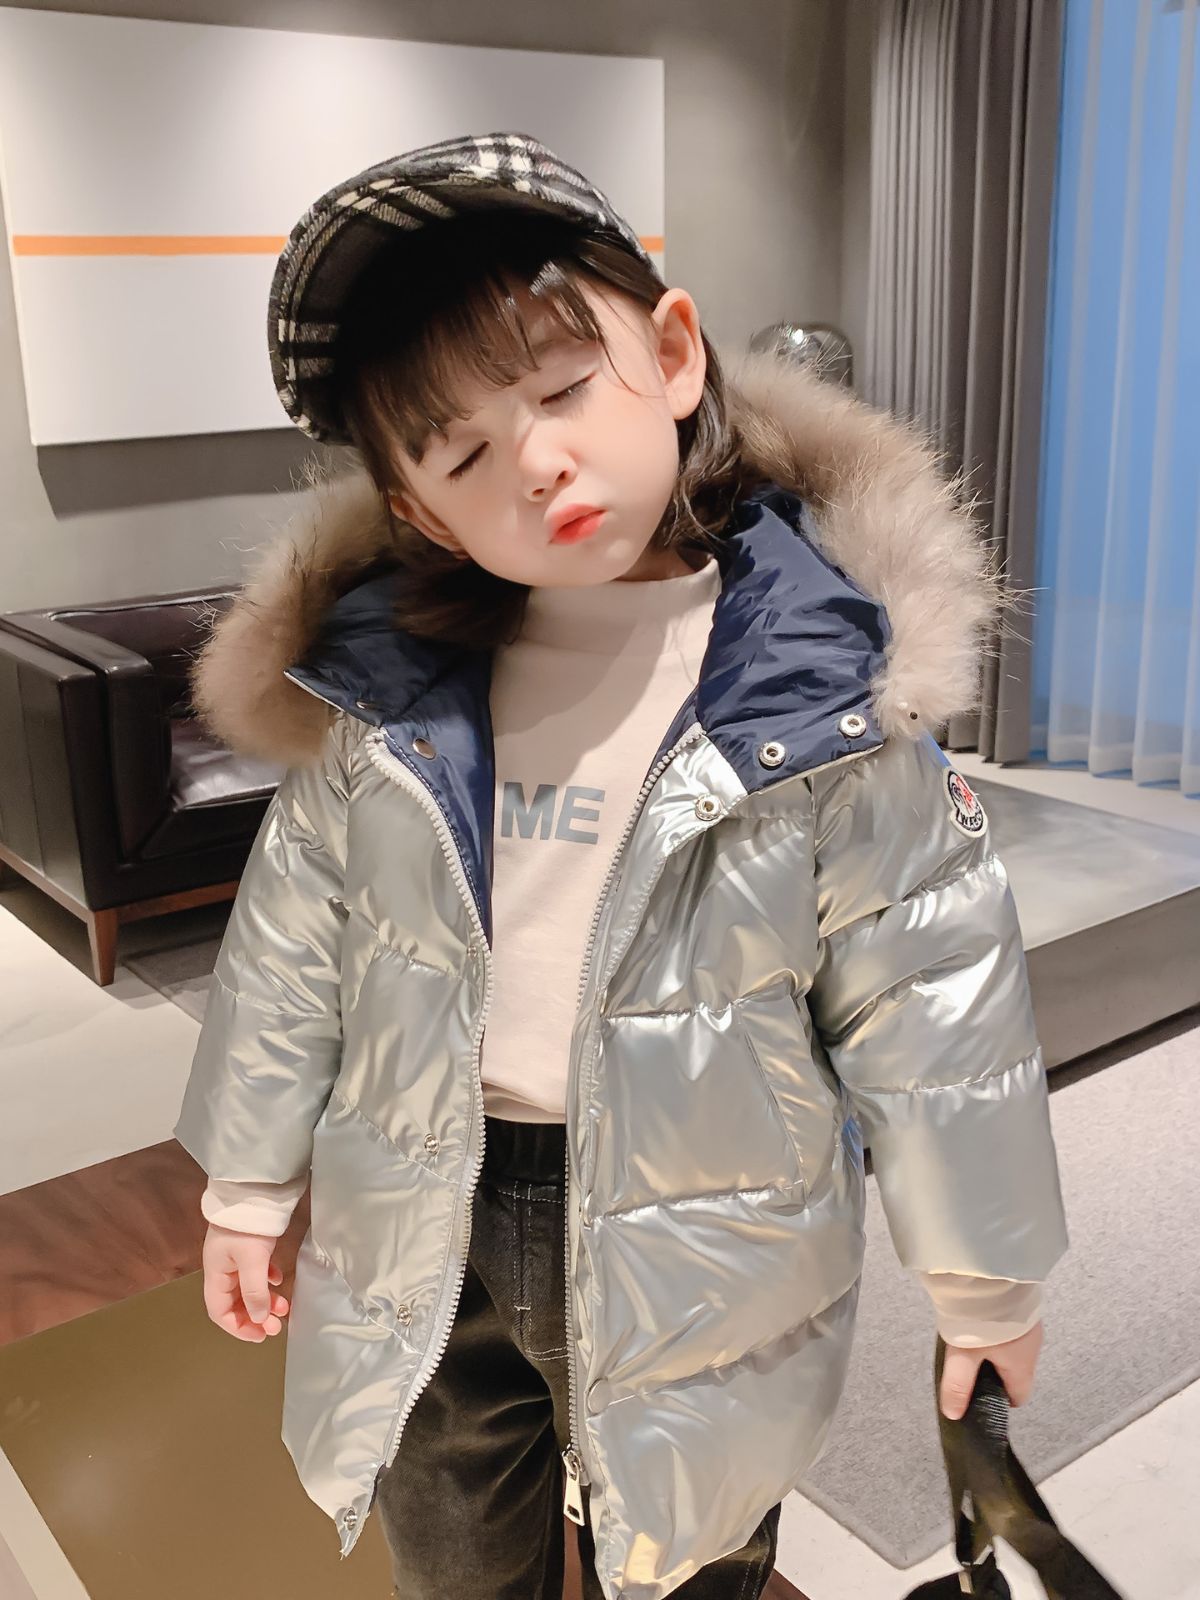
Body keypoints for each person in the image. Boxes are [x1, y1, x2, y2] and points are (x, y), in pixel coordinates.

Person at [174, 132, 1068, 1600]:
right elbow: (290, 953)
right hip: (427, 1207)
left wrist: (985, 1281)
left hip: (710, 1221)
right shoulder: (381, 700)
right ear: (417, 510)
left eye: (562, 389)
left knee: (697, 1547)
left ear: (671, 352)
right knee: (453, 1558)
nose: (537, 460)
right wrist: (246, 1187)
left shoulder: (824, 689)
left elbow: (934, 997)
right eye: (463, 453)